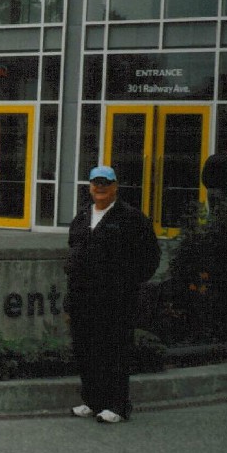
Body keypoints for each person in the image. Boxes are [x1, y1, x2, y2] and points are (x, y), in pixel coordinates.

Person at [64, 165, 161, 424]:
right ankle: (92, 400)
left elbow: (150, 256)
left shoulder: (131, 218)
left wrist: (127, 283)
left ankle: (116, 405)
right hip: (83, 298)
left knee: (114, 351)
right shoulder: (82, 217)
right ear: (89, 186)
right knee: (86, 350)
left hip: (115, 300)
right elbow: (73, 256)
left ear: (115, 186)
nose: (100, 187)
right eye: (96, 182)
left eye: (105, 183)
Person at [200, 147, 227, 221]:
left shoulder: (210, 159)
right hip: (222, 190)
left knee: (212, 212)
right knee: (223, 213)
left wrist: (208, 186)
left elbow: (203, 176)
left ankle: (210, 228)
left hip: (210, 190)